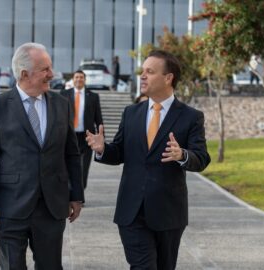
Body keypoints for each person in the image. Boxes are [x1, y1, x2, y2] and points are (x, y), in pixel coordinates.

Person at [86, 50, 210, 270]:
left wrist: (182, 155)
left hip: (169, 214)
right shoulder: (131, 112)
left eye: (150, 72)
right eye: (142, 71)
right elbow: (120, 153)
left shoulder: (191, 116)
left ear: (168, 77)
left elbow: (201, 158)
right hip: (131, 212)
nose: (142, 76)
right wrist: (103, 149)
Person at [0, 42, 84, 270]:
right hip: (10, 206)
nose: (51, 74)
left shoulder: (61, 105)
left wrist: (76, 194)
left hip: (51, 206)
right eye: (45, 69)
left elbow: (72, 154)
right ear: (25, 74)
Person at [60, 70, 103, 190]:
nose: (79, 79)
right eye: (77, 77)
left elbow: (98, 117)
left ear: (85, 80)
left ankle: (80, 193)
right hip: (70, 136)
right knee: (69, 166)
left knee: (84, 168)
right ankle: (70, 192)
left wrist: (100, 136)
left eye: (81, 77)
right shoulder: (64, 94)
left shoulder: (93, 96)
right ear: (73, 79)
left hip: (87, 137)